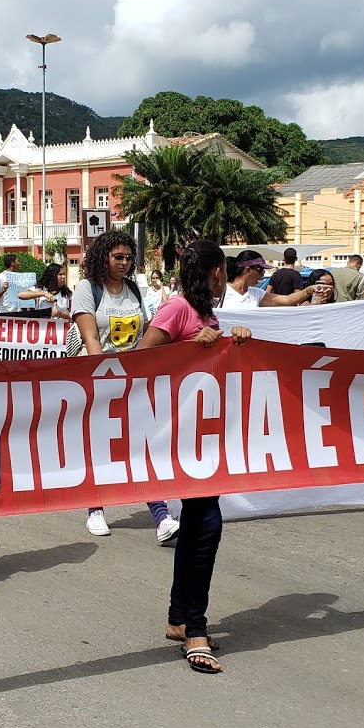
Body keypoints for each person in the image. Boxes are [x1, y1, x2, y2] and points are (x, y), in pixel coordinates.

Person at [135, 239, 253, 674]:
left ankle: (179, 618)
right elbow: (139, 360)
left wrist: (235, 341)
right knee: (206, 527)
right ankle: (196, 629)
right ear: (216, 272)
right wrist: (188, 349)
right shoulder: (177, 308)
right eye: (223, 271)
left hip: (203, 439)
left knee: (197, 527)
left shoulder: (205, 313)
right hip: (180, 439)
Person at [71, 231, 180, 542]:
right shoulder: (87, 289)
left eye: (129, 258)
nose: (124, 263)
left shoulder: (133, 289)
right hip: (97, 381)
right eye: (117, 257)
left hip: (133, 381)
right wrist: (106, 382)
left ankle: (161, 517)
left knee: (141, 445)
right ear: (103, 257)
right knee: (100, 447)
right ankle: (94, 508)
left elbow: (144, 333)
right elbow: (91, 338)